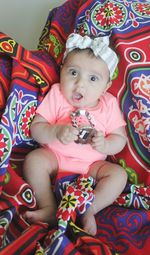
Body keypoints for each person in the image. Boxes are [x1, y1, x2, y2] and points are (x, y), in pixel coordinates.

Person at [23, 33, 127, 236]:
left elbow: (120, 139)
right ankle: (49, 206)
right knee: (33, 160)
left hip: (92, 167)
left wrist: (105, 144)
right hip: (54, 158)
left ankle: (89, 209)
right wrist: (54, 131)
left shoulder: (109, 104)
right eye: (73, 73)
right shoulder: (57, 95)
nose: (80, 84)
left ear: (106, 87)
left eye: (93, 78)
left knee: (118, 175)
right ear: (61, 71)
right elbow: (36, 129)